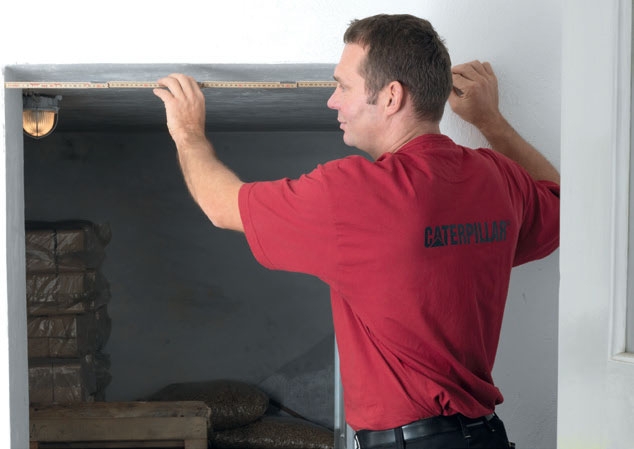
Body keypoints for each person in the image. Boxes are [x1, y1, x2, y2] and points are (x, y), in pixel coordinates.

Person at [153, 13, 559, 449]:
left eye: (343, 86)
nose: (332, 101)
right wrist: (490, 121)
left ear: (391, 97)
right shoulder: (496, 178)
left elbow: (221, 206)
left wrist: (187, 132)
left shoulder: (355, 194)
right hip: (485, 437)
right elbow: (560, 206)